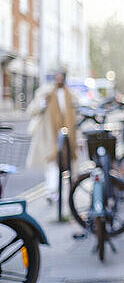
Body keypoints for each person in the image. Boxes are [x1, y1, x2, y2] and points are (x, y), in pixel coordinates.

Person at [26, 69, 78, 202]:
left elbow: (76, 117)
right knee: (52, 163)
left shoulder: (71, 95)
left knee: (63, 164)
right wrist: (44, 102)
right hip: (50, 135)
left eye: (61, 78)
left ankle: (56, 192)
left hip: (66, 136)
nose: (59, 80)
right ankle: (51, 191)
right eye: (57, 78)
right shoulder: (45, 93)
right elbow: (32, 110)